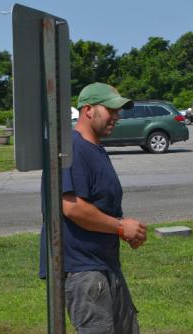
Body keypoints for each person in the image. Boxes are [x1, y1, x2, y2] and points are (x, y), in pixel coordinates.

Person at [39, 82, 147, 333]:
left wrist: (123, 228)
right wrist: (121, 227)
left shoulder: (94, 149)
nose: (117, 117)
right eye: (111, 110)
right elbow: (72, 207)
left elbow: (97, 205)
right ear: (88, 110)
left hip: (104, 264)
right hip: (83, 269)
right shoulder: (72, 149)